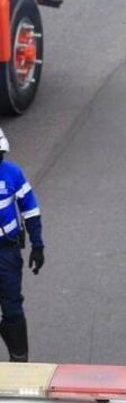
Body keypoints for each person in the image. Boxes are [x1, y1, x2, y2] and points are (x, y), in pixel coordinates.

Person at [0, 128, 44, 362]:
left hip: (6, 252)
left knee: (13, 307)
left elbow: (31, 209)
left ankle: (19, 359)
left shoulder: (12, 174)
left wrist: (38, 245)